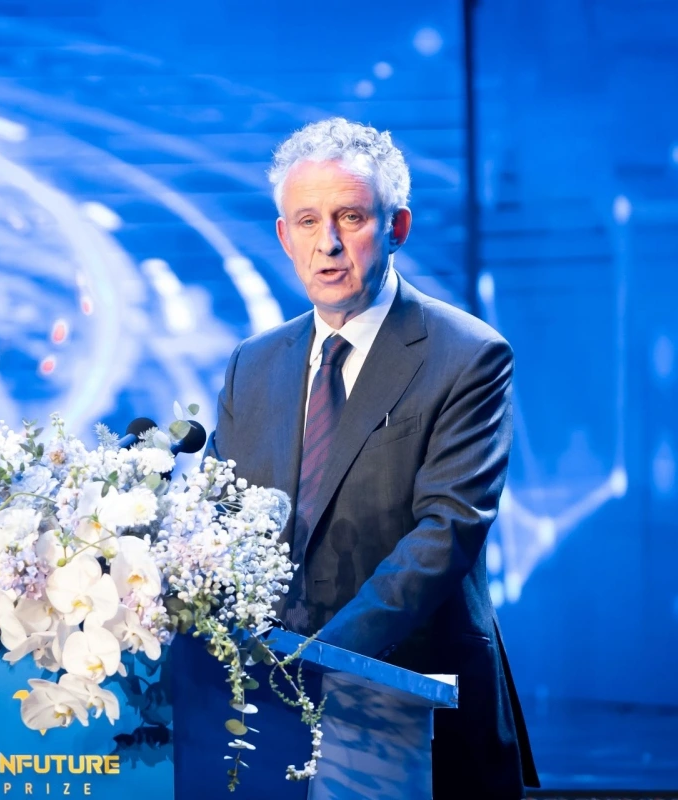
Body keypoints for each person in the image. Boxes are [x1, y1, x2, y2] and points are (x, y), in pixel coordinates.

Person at [208, 118, 539, 798]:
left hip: (417, 705)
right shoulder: (252, 364)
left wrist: (318, 663)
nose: (327, 243)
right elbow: (214, 520)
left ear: (397, 227)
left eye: (351, 217)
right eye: (307, 221)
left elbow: (446, 532)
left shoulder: (468, 356)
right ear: (284, 237)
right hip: (267, 719)